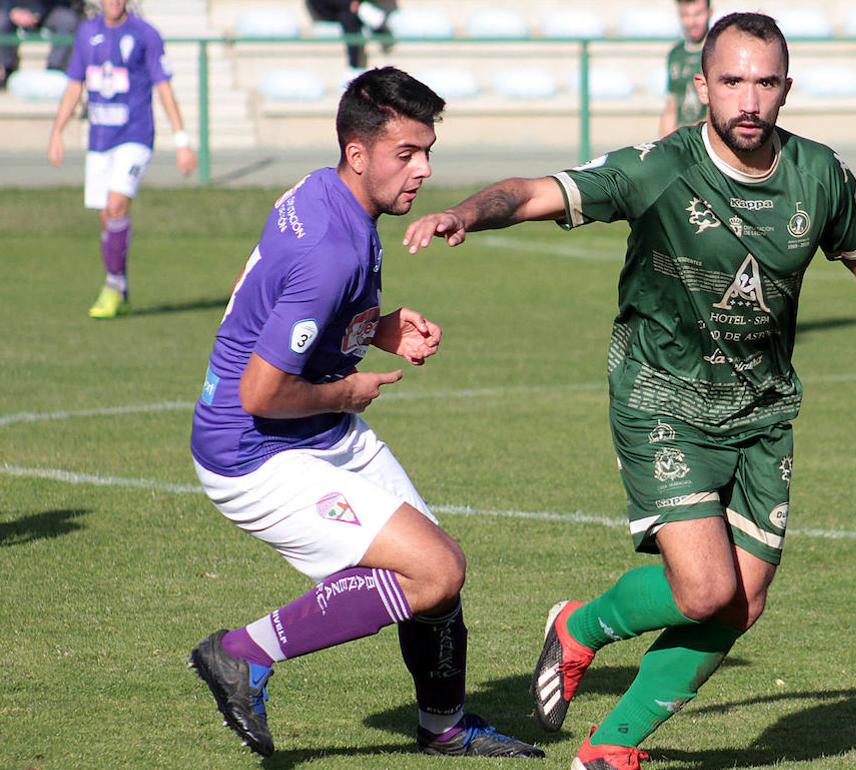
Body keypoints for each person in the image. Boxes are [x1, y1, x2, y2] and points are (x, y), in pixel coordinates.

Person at [402, 14, 856, 769]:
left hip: (763, 408)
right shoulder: (661, 166)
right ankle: (583, 627)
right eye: (732, 81)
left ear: (786, 88)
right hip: (661, 394)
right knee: (703, 590)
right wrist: (467, 212)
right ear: (703, 87)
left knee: (743, 603)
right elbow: (543, 190)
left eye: (765, 82)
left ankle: (609, 748)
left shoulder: (820, 174)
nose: (749, 100)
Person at [186, 66, 543, 761]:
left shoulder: (326, 195)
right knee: (431, 571)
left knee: (438, 580)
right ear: (358, 153)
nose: (423, 170)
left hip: (310, 430)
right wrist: (348, 392)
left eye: (427, 151)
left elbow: (290, 303)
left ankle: (445, 728)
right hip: (253, 449)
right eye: (406, 154)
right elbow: (260, 392)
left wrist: (377, 327)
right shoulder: (329, 248)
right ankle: (239, 654)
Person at [46, 0, 196, 319]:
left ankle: (112, 286)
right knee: (107, 218)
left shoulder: (145, 34)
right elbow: (75, 84)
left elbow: (164, 87)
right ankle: (121, 284)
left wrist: (182, 141)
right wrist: (57, 131)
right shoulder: (87, 32)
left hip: (136, 135)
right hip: (100, 139)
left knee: (116, 205)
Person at [0, 0, 82, 89]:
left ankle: (54, 72)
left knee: (67, 20)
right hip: (11, 9)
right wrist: (11, 10)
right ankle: (5, 71)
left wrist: (38, 12)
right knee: (1, 21)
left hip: (48, 9)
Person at [659, 0, 710, 137]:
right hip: (681, 141)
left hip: (706, 139)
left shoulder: (717, 50)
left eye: (698, 14)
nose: (692, 22)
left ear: (709, 12)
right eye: (686, 15)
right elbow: (671, 105)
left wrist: (690, 135)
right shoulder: (675, 54)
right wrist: (666, 144)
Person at [305, 0, 392, 70]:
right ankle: (365, 14)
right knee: (349, 13)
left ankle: (354, 67)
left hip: (349, 12)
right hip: (328, 8)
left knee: (348, 17)